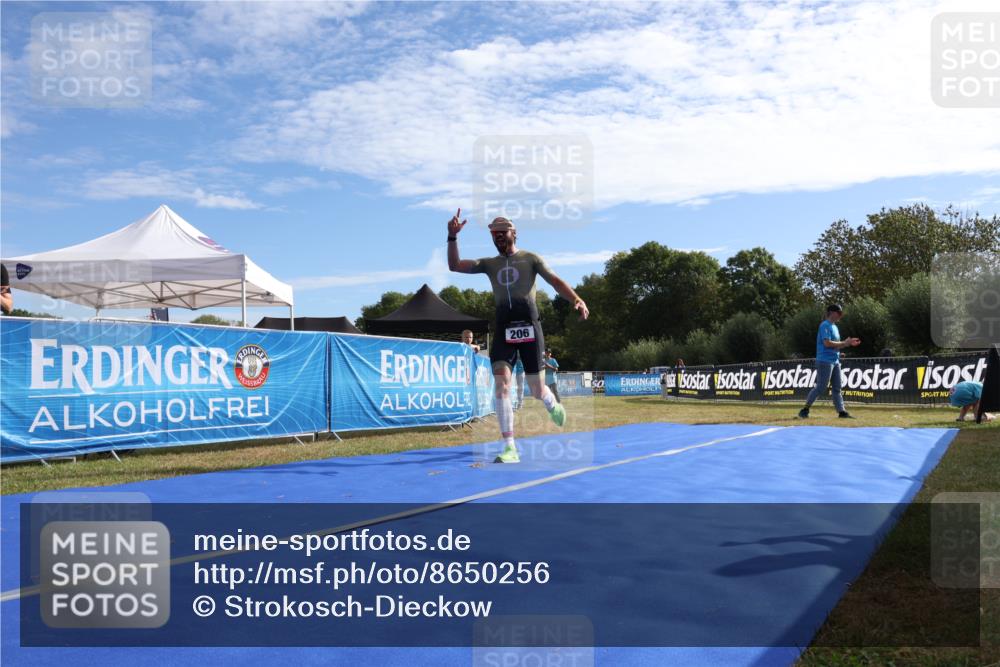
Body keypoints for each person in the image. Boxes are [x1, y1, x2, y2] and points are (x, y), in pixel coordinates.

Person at [447, 209, 589, 463]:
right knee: (501, 385)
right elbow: (455, 266)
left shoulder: (530, 259)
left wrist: (576, 299)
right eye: (494, 234)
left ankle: (551, 403)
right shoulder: (489, 264)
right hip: (503, 328)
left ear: (514, 233)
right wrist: (452, 237)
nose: (498, 237)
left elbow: (555, 282)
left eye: (503, 233)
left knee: (536, 390)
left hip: (530, 328)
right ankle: (509, 447)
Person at [798, 304, 861, 419]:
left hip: (835, 361)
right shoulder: (824, 325)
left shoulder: (835, 327)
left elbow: (834, 345)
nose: (840, 315)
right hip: (824, 361)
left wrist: (845, 346)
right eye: (839, 313)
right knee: (821, 388)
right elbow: (827, 343)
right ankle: (805, 409)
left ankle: (841, 412)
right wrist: (844, 343)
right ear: (831, 312)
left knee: (837, 388)